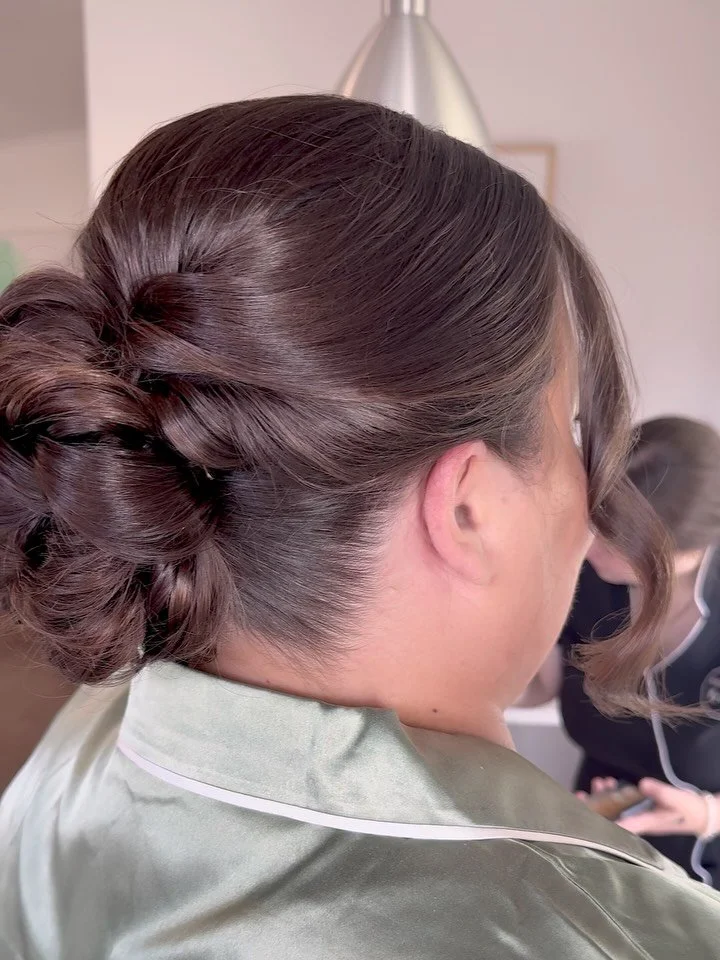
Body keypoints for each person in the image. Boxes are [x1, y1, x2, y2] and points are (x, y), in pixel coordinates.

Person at [1, 96, 719, 959]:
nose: (590, 493)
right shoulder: (617, 935)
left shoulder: (83, 741)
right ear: (467, 507)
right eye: (569, 429)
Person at [522, 417, 720, 886]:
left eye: (608, 534)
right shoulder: (586, 580)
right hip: (603, 832)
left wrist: (704, 815)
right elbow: (537, 685)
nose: (586, 542)